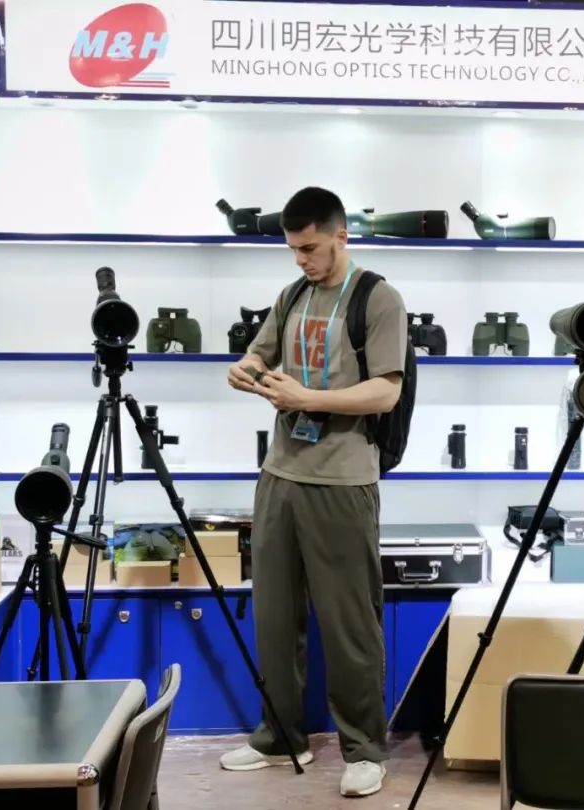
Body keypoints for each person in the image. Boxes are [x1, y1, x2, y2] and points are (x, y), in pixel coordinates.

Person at [221, 186, 407, 799]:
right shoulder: (293, 295)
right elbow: (260, 352)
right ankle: (280, 737)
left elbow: (385, 391)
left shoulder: (379, 298)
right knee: (274, 617)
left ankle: (365, 750)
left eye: (310, 248)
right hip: (280, 474)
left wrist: (309, 398)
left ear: (340, 235)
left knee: (350, 622)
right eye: (294, 250)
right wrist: (247, 371)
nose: (302, 260)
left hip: (343, 479)